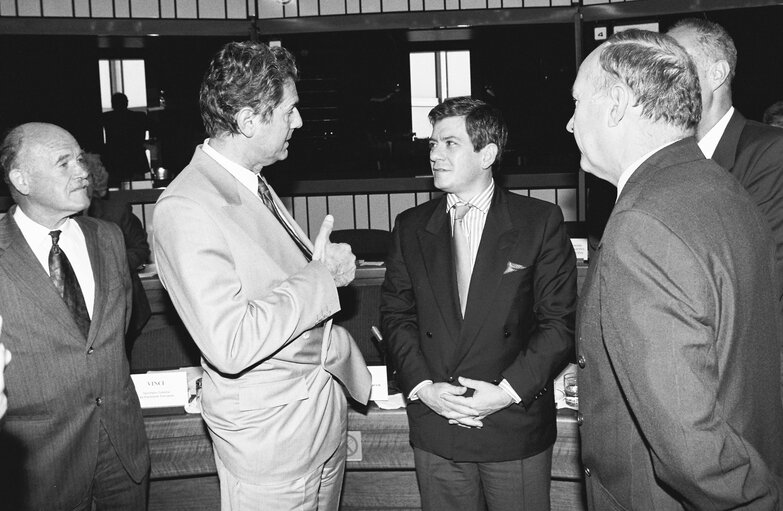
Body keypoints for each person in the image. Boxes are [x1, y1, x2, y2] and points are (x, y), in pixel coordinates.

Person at [152, 41, 371, 511]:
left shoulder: (253, 181)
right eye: (290, 110)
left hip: (315, 421)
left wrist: (320, 264)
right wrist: (321, 279)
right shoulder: (186, 206)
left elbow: (271, 281)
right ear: (249, 121)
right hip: (271, 442)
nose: (299, 122)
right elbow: (230, 342)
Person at [569, 29, 783, 509]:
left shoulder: (644, 222)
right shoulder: (723, 189)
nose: (569, 123)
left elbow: (689, 444)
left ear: (616, 104)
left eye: (577, 102)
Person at [381, 96, 577, 511]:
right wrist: (423, 388)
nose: (435, 154)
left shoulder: (538, 222)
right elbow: (396, 318)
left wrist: (506, 393)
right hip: (438, 422)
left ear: (487, 153)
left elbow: (559, 323)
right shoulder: (411, 227)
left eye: (449, 144)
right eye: (432, 144)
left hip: (513, 422)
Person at [0, 122, 150, 510]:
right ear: (22, 179)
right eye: (63, 163)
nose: (82, 170)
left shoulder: (108, 237)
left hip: (122, 454)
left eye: (79, 158)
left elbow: (121, 330)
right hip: (39, 468)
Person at [667, 19, 783, 306]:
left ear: (717, 73)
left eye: (674, 65)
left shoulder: (769, 151)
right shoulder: (666, 158)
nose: (661, 79)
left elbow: (759, 273)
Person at [82, 153, 151, 351]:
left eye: (85, 179)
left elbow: (141, 249)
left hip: (126, 310)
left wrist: (107, 265)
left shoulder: (115, 211)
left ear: (94, 181)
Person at [102, 92, 151, 187]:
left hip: (114, 157)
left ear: (113, 104)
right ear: (126, 103)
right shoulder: (139, 117)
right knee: (139, 186)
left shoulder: (107, 118)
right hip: (136, 156)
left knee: (115, 186)